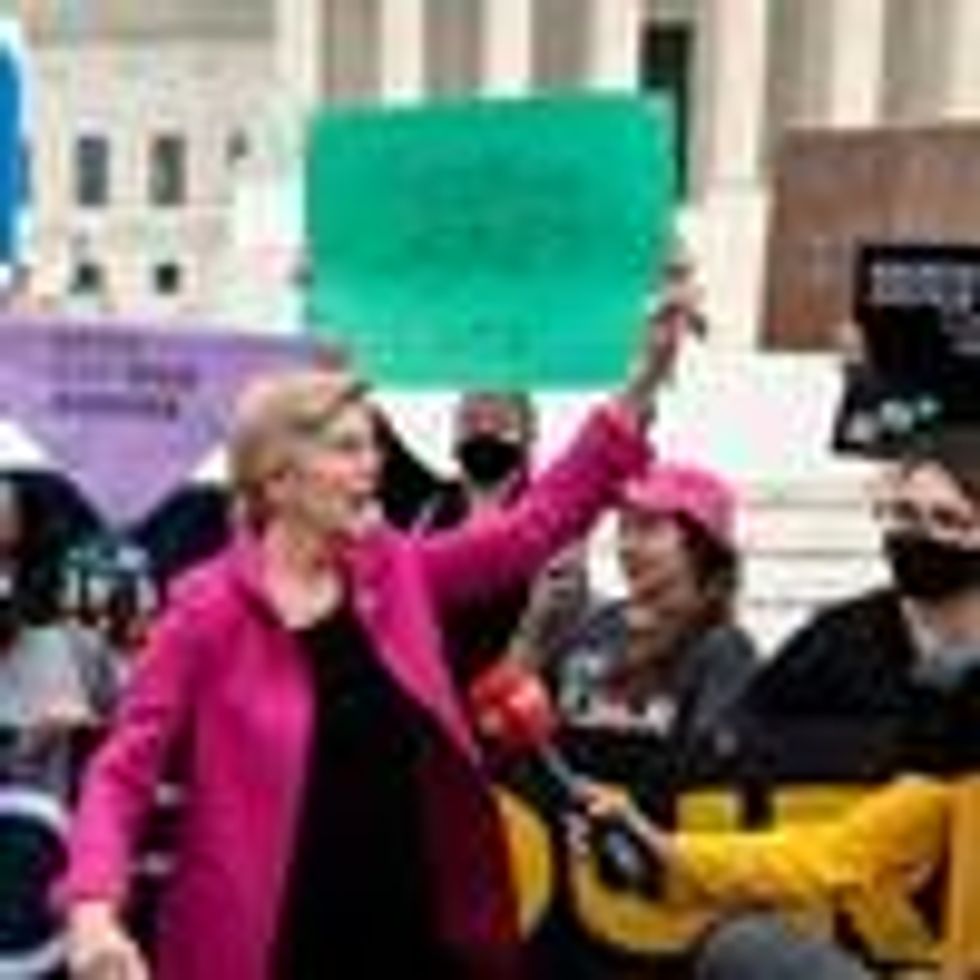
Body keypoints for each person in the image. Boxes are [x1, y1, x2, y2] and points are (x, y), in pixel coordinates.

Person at [61, 308, 682, 980]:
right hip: (262, 945)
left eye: (373, 448)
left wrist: (640, 385)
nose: (373, 467)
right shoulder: (203, 612)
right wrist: (93, 907)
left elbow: (535, 526)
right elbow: (122, 770)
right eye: (348, 449)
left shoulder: (399, 570)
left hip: (406, 931)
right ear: (278, 479)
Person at [552, 463, 757, 761]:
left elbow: (708, 773)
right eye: (623, 528)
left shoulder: (723, 649)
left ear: (700, 546)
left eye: (648, 528)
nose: (627, 546)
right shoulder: (585, 630)